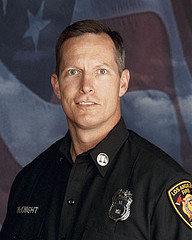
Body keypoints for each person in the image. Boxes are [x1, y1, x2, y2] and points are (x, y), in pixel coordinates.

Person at [1, 19, 192, 240]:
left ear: (123, 83)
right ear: (57, 86)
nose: (86, 86)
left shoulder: (163, 185)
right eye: (73, 72)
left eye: (101, 71)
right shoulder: (29, 182)